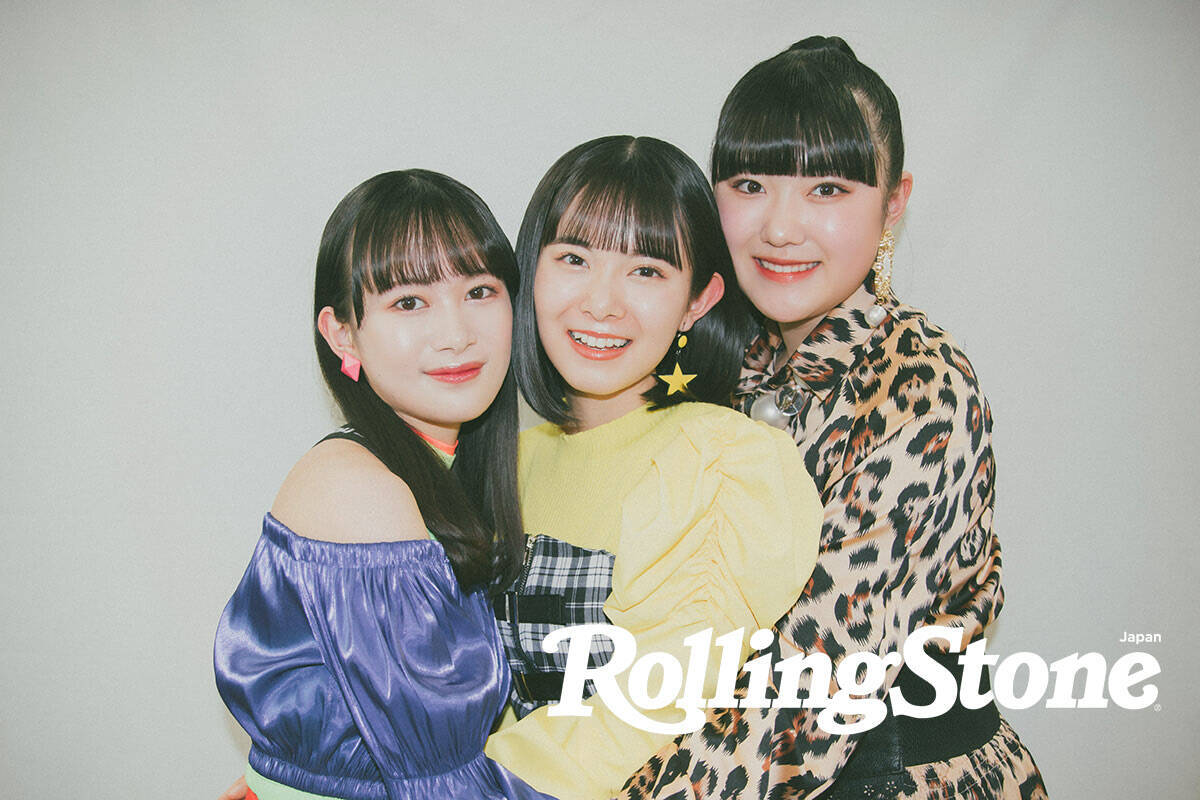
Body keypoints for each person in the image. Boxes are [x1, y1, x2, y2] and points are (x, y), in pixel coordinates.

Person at [616, 38, 1048, 800]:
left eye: (827, 189)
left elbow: (807, 699)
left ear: (893, 204)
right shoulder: (725, 366)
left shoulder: (921, 388)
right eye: (751, 184)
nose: (781, 228)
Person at [482, 136, 823, 799]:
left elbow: (657, 704)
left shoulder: (723, 460)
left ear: (699, 300)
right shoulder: (509, 461)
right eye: (574, 258)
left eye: (646, 271)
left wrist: (468, 783)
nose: (602, 303)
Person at [213, 170, 556, 800]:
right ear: (342, 334)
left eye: (479, 291)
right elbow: (439, 783)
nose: (457, 333)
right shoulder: (359, 490)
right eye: (409, 302)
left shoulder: (442, 469)